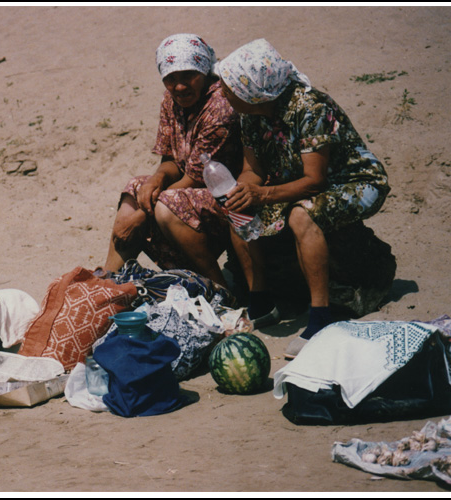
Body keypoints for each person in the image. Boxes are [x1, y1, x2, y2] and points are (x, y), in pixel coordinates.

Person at [214, 39, 390, 358]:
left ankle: (320, 318)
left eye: (229, 88)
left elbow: (315, 181)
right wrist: (241, 192)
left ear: (252, 90)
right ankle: (261, 300)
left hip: (355, 182)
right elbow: (251, 171)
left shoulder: (310, 108)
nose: (223, 93)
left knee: (301, 215)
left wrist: (262, 193)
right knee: (238, 209)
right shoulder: (251, 114)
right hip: (297, 183)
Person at [98, 33, 242, 291]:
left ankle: (218, 288)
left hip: (228, 196)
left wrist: (142, 216)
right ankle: (109, 280)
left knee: (165, 204)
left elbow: (198, 176)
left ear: (203, 70)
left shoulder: (220, 107)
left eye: (188, 76)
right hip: (193, 188)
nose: (179, 87)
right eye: (171, 79)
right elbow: (171, 160)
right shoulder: (171, 100)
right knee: (136, 187)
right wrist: (157, 179)